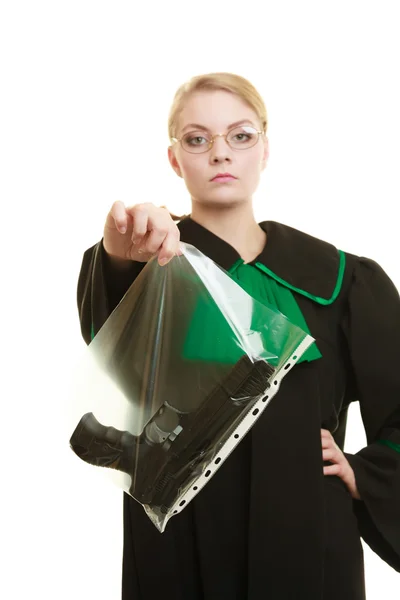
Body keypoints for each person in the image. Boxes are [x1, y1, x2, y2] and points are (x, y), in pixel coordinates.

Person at [77, 72, 400, 600]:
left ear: (265, 150)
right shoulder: (149, 265)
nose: (220, 153)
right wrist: (121, 250)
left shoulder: (343, 281)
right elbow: (112, 340)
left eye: (240, 135)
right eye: (198, 138)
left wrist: (365, 472)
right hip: (177, 529)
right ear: (175, 159)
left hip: (306, 529)